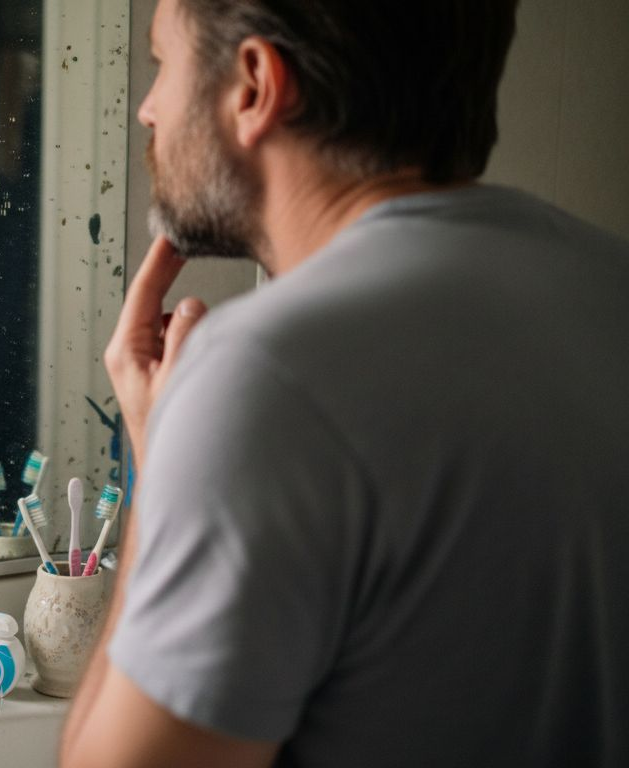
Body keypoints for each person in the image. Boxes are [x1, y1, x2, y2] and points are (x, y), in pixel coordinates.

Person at [63, 1, 629, 766]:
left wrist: (158, 463)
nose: (147, 108)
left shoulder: (264, 376)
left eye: (163, 62)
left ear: (255, 86)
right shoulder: (611, 287)